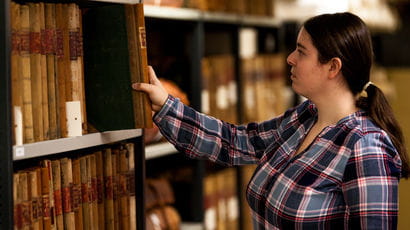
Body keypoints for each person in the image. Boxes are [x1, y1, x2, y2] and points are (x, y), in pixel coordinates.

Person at [132, 12, 409, 230]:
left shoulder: (366, 147)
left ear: (332, 67)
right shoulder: (303, 119)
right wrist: (165, 105)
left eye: (301, 51)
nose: (290, 59)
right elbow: (235, 142)